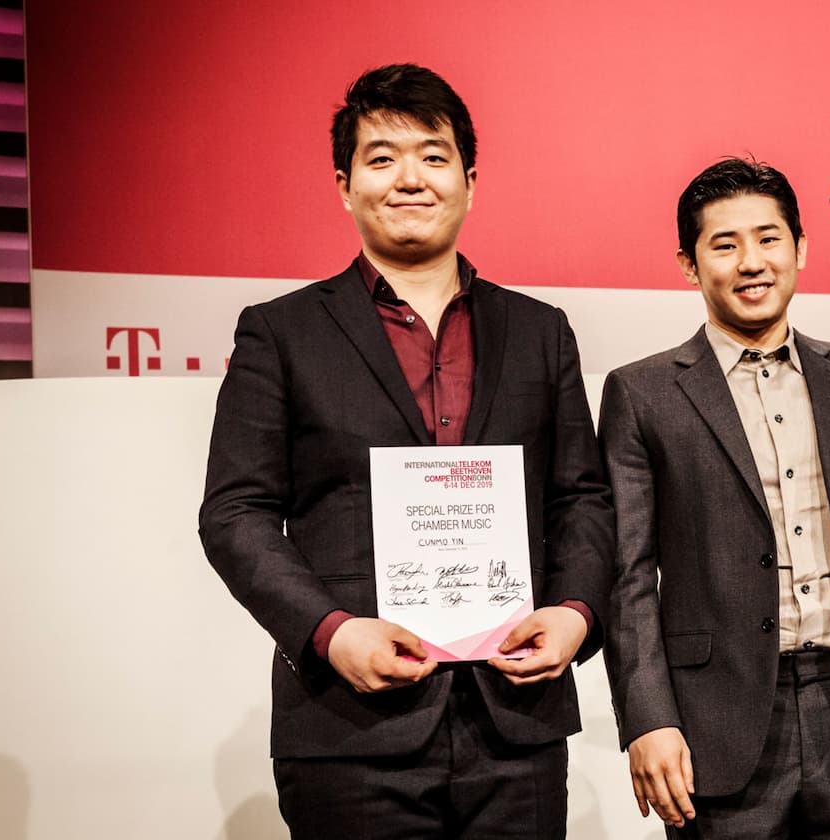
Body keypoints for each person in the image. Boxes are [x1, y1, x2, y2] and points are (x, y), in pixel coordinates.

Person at [198, 63, 611, 838]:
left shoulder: (540, 330)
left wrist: (577, 612)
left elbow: (580, 497)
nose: (409, 178)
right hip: (349, 728)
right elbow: (235, 513)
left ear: (470, 179)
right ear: (344, 184)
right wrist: (331, 630)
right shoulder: (280, 332)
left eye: (433, 154)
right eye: (382, 158)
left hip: (514, 726)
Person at [600, 157, 830, 838]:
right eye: (725, 244)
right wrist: (649, 718)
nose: (752, 261)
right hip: (715, 720)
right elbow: (627, 577)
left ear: (800, 250)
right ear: (689, 264)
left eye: (769, 238)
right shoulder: (641, 393)